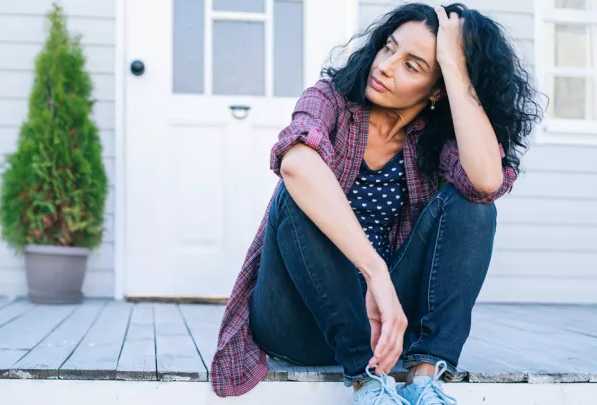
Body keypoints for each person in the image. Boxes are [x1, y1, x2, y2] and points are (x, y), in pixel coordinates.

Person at [211, 3, 544, 404]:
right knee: (295, 187)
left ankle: (426, 379)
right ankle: (367, 382)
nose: (385, 66)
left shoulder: (434, 140)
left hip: (382, 328)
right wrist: (375, 274)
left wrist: (454, 70)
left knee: (474, 205)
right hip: (295, 320)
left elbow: (486, 181)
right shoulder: (330, 100)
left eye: (412, 66)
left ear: (436, 89)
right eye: (389, 47)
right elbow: (296, 163)